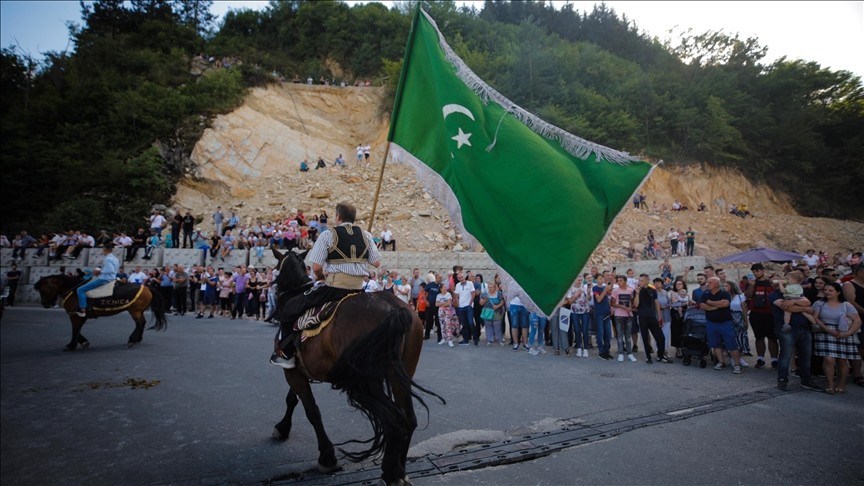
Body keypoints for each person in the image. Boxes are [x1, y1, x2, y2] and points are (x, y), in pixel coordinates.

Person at [270, 202, 381, 369]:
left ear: (337, 217)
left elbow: (315, 267)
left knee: (291, 307)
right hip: (359, 289)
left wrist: (322, 277)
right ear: (354, 217)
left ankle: (286, 353)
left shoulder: (328, 235)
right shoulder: (366, 235)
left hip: (335, 288)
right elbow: (377, 262)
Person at [812, 281, 861, 393]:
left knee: (842, 361)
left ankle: (841, 384)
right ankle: (829, 384)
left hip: (842, 332)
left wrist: (848, 333)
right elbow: (814, 318)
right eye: (826, 290)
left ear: (838, 292)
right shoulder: (819, 303)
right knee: (829, 359)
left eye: (830, 290)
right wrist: (828, 329)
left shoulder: (846, 305)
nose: (827, 292)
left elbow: (857, 320)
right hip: (825, 331)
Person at [698, 277, 741, 373]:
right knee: (715, 344)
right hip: (711, 322)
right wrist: (717, 305)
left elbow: (725, 304)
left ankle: (737, 365)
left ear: (717, 284)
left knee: (731, 344)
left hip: (725, 322)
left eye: (710, 282)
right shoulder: (705, 294)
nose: (707, 284)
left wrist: (710, 303)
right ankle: (722, 362)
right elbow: (702, 306)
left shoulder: (724, 293)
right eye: (707, 282)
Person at [743, 263, 780, 369]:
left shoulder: (770, 282)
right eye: (753, 271)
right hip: (756, 313)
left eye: (757, 271)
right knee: (759, 337)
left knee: (772, 338)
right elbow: (748, 296)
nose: (755, 273)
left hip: (770, 314)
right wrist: (750, 285)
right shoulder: (752, 283)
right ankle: (760, 359)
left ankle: (774, 360)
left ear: (762, 270)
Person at [75, 244, 119, 317]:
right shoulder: (115, 258)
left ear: (105, 250)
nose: (102, 251)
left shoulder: (107, 258)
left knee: (80, 289)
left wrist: (99, 272)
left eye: (102, 250)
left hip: (104, 279)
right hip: (111, 278)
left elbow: (110, 270)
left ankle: (82, 310)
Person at [611, 276, 636, 362]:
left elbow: (633, 302)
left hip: (628, 315)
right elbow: (612, 303)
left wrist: (630, 308)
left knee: (628, 335)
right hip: (618, 315)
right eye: (618, 281)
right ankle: (620, 353)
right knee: (620, 335)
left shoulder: (631, 290)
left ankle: (629, 353)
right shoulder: (615, 291)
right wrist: (621, 306)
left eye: (621, 281)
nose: (619, 282)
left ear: (625, 281)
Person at [479, 281, 506, 346]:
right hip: (487, 313)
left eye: (491, 287)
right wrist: (484, 300)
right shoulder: (485, 294)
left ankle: (499, 340)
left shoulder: (499, 293)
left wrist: (497, 306)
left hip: (497, 313)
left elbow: (502, 302)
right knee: (488, 327)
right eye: (489, 287)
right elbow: (480, 303)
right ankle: (489, 340)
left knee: (498, 327)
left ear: (494, 287)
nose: (490, 289)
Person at [436, 282, 459, 347]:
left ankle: (450, 340)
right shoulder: (438, 295)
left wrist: (441, 303)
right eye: (444, 287)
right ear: (441, 289)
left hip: (448, 312)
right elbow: (436, 304)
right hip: (441, 312)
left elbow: (448, 303)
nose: (445, 288)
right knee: (442, 325)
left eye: (445, 287)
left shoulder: (448, 294)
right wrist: (444, 303)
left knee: (448, 325)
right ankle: (444, 338)